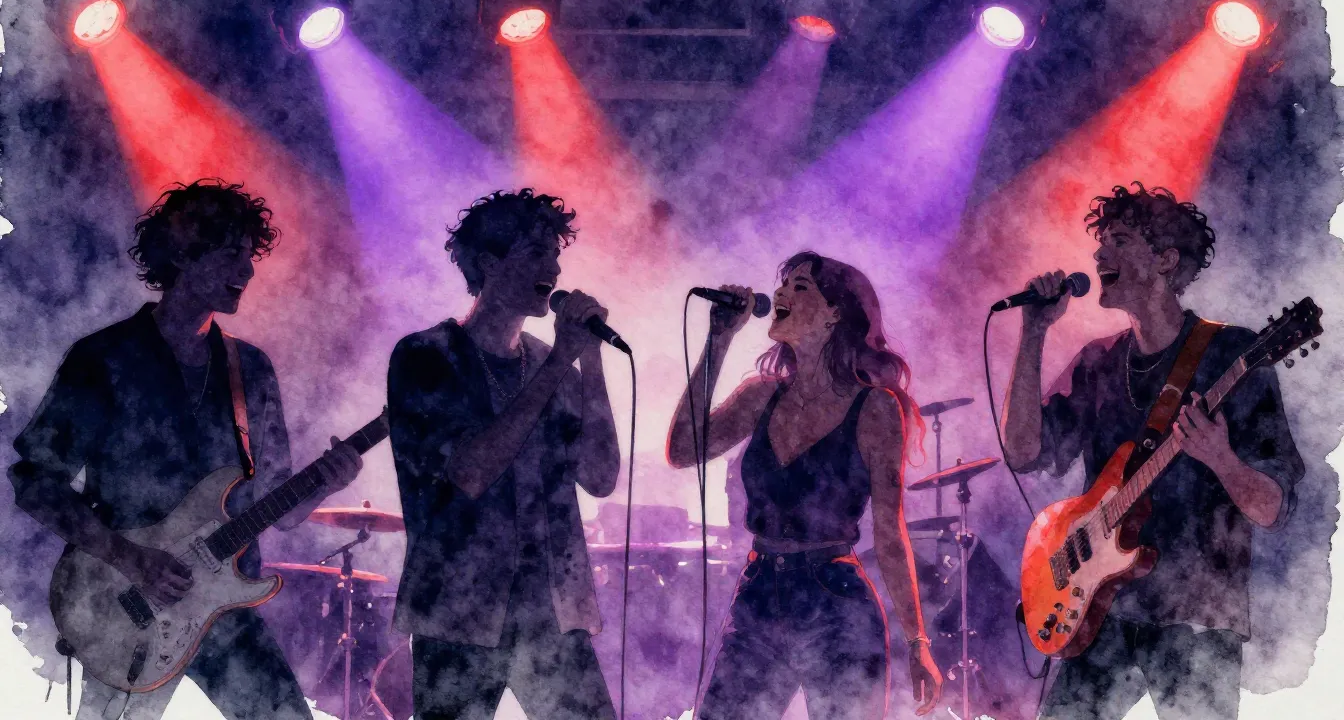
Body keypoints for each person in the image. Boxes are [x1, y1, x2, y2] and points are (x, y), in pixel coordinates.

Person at [8, 179, 363, 720]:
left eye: (249, 256)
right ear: (181, 253)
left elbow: (281, 508)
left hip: (225, 608)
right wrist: (128, 557)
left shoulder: (251, 369)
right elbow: (35, 483)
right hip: (126, 604)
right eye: (230, 254)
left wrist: (327, 483)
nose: (247, 271)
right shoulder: (105, 358)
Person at [1000, 184, 1305, 720]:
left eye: (1119, 240)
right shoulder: (1097, 362)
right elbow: (1022, 451)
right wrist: (1034, 333)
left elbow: (1273, 509)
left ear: (1165, 261)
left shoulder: (1232, 354)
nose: (1099, 254)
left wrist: (1221, 460)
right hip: (1101, 606)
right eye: (1101, 242)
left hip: (1197, 612)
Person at [667, 251, 944, 719]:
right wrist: (717, 341)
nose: (780, 293)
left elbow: (890, 531)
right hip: (759, 598)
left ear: (835, 313)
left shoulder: (875, 407)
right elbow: (682, 450)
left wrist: (918, 641)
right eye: (783, 285)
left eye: (800, 287)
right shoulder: (760, 395)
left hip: (835, 603)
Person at [386, 188, 621, 720]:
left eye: (555, 255)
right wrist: (560, 363)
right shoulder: (427, 355)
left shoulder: (549, 362)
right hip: (458, 610)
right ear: (489, 263)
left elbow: (601, 477)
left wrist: (591, 362)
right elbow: (471, 473)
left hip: (552, 607)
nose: (553, 268)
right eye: (536, 252)